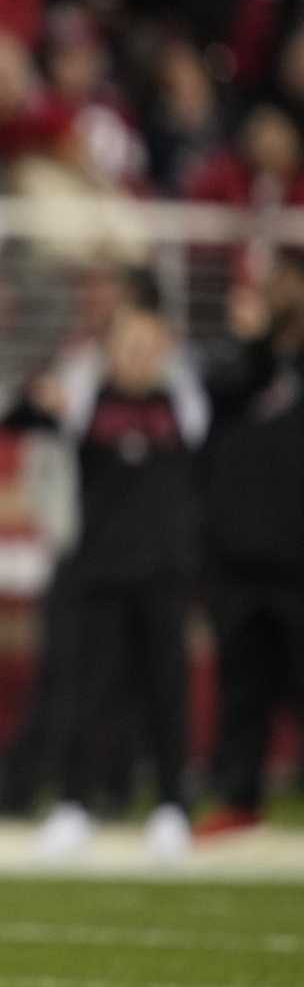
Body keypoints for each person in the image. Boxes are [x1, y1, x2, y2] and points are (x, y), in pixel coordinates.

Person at [17, 303, 207, 860]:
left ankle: (173, 806)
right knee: (87, 694)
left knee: (167, 694)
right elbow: (16, 418)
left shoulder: (187, 405)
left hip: (165, 573)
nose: (138, 357)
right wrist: (47, 392)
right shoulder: (83, 399)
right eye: (128, 345)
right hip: (98, 572)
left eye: (149, 346)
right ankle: (75, 804)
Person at [196, 252, 304, 837]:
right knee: (243, 687)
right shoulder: (239, 361)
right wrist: (265, 336)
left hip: (297, 558)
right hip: (237, 556)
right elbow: (227, 387)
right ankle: (240, 797)